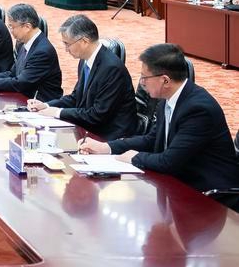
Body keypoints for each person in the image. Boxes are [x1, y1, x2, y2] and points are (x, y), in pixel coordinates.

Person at [79, 44, 239, 194]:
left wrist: (134, 157)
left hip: (209, 194)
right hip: (178, 182)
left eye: (145, 77)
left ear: (165, 80)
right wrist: (107, 147)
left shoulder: (198, 110)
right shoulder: (167, 100)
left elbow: (169, 162)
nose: (142, 83)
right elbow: (151, 139)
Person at [28, 14, 138, 140]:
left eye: (67, 44)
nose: (66, 49)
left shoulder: (111, 69)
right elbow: (76, 97)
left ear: (84, 41)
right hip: (90, 127)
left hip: (109, 136)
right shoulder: (85, 60)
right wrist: (47, 105)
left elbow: (98, 115)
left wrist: (58, 112)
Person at [0, 4, 63, 101]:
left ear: (27, 27)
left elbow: (21, 83)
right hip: (23, 97)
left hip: (40, 104)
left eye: (12, 27)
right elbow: (12, 74)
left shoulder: (42, 52)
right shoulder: (24, 44)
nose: (10, 31)